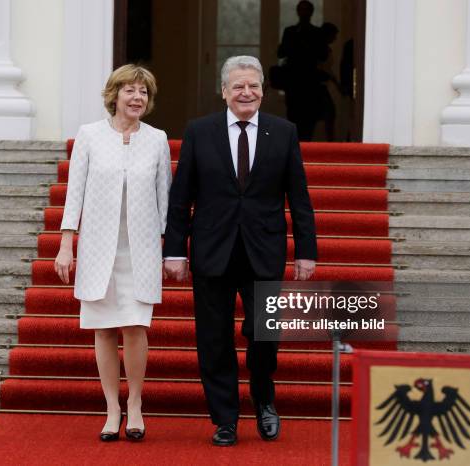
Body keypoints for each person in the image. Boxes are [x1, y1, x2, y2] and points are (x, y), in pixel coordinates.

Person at [163, 56, 317, 446]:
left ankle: (264, 401)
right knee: (213, 339)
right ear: (224, 92)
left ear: (263, 90)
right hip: (212, 251)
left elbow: (298, 197)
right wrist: (174, 251)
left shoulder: (283, 132)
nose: (246, 93)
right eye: (238, 87)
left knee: (264, 334)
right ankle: (225, 418)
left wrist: (306, 251)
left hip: (262, 250)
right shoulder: (201, 132)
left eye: (253, 86)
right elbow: (181, 198)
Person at [54, 64, 172, 442]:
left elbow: (164, 198)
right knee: (104, 330)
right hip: (97, 246)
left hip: (140, 248)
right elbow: (75, 192)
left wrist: (172, 251)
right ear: (114, 95)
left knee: (136, 326)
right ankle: (112, 408)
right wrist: (65, 244)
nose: (137, 98)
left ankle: (135, 403)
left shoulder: (157, 139)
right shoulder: (90, 135)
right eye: (130, 90)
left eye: (144, 92)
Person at [277, 0, 328, 141]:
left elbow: (323, 56)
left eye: (306, 10)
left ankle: (306, 145)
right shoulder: (290, 31)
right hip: (293, 81)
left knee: (310, 117)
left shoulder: (317, 33)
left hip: (310, 81)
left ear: (311, 13)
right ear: (298, 12)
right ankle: (295, 145)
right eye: (301, 9)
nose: (304, 13)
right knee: (293, 115)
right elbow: (280, 53)